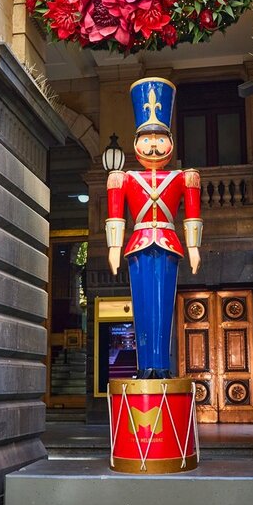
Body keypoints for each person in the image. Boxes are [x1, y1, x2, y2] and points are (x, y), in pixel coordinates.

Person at [105, 77, 202, 379]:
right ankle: (144, 365)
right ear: (136, 143)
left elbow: (192, 216)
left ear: (170, 141)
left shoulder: (184, 177)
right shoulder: (123, 178)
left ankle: (161, 366)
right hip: (138, 244)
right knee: (142, 306)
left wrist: (194, 247)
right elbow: (116, 217)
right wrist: (113, 248)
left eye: (160, 139)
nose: (154, 146)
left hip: (169, 243)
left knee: (164, 307)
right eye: (147, 139)